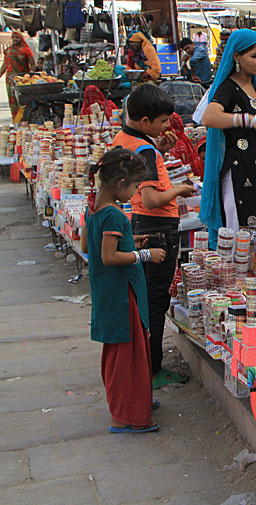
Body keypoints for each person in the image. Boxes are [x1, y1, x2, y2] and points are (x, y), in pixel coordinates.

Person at [113, 85, 194, 389]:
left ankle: (144, 363)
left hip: (141, 225)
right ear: (145, 120)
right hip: (157, 227)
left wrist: (161, 150)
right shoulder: (145, 149)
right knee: (155, 299)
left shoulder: (127, 139)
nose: (165, 128)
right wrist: (179, 190)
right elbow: (151, 199)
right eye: (162, 122)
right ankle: (154, 368)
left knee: (146, 297)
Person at [80, 147, 166, 433]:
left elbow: (86, 247)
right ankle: (127, 416)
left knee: (120, 352)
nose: (135, 195)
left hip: (107, 291)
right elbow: (108, 257)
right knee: (127, 355)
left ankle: (133, 401)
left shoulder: (93, 209)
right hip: (121, 292)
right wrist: (145, 255)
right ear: (120, 185)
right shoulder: (115, 216)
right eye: (134, 188)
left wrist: (132, 242)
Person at [200, 29, 256, 244]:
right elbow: (209, 117)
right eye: (254, 56)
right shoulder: (228, 88)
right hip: (240, 172)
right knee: (242, 239)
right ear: (237, 57)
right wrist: (248, 120)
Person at [0, 31, 36, 118]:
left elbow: (33, 64)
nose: (15, 39)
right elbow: (5, 64)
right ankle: (16, 121)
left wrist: (31, 75)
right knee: (13, 103)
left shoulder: (26, 50)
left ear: (21, 39)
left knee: (23, 102)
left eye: (17, 37)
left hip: (22, 80)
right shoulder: (8, 51)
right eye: (13, 37)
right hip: (10, 81)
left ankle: (25, 120)